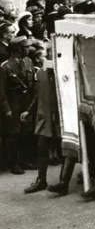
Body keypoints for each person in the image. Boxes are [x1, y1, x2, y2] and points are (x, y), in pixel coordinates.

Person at [20, 48, 60, 193]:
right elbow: (38, 95)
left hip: (58, 116)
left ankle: (64, 182)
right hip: (44, 116)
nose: (49, 57)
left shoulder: (60, 72)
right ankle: (41, 180)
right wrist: (29, 111)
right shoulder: (39, 73)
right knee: (41, 146)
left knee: (67, 150)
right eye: (45, 56)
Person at [0, 37, 36, 175]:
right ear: (19, 49)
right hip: (14, 102)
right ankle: (14, 163)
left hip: (27, 101)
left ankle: (25, 160)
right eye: (26, 47)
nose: (29, 49)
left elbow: (32, 83)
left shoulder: (29, 62)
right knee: (14, 134)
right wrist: (7, 109)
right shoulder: (5, 67)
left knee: (26, 131)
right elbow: (2, 91)